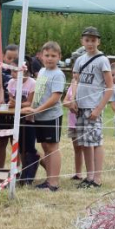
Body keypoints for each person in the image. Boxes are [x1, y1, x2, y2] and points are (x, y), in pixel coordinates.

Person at [69, 27, 113, 188]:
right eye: (87, 40)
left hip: (93, 106)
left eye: (93, 40)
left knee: (96, 142)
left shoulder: (102, 60)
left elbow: (109, 87)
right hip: (80, 107)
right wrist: (72, 99)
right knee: (85, 143)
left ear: (98, 42)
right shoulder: (80, 60)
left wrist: (98, 109)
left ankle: (98, 177)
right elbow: (75, 81)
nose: (90, 43)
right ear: (82, 41)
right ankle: (89, 176)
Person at [23, 41, 65, 191]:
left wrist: (37, 110)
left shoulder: (58, 74)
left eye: (53, 56)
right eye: (47, 55)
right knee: (45, 147)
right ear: (41, 56)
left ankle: (54, 183)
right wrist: (32, 108)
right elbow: (38, 93)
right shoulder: (41, 72)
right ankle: (48, 179)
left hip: (51, 117)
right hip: (39, 116)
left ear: (59, 57)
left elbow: (55, 98)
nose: (49, 58)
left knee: (53, 148)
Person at [7, 61, 37, 185]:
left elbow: (30, 103)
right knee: (19, 148)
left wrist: (16, 104)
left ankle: (30, 171)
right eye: (11, 70)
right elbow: (11, 100)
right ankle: (23, 173)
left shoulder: (32, 83)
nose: (12, 74)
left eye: (15, 71)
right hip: (15, 118)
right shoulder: (11, 82)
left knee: (28, 149)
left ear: (24, 71)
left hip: (29, 119)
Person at [62, 84, 83, 181]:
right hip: (73, 122)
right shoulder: (72, 86)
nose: (74, 75)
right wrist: (71, 104)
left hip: (83, 122)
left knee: (87, 149)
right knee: (77, 149)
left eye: (76, 72)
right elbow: (64, 102)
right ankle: (78, 174)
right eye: (73, 72)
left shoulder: (85, 86)